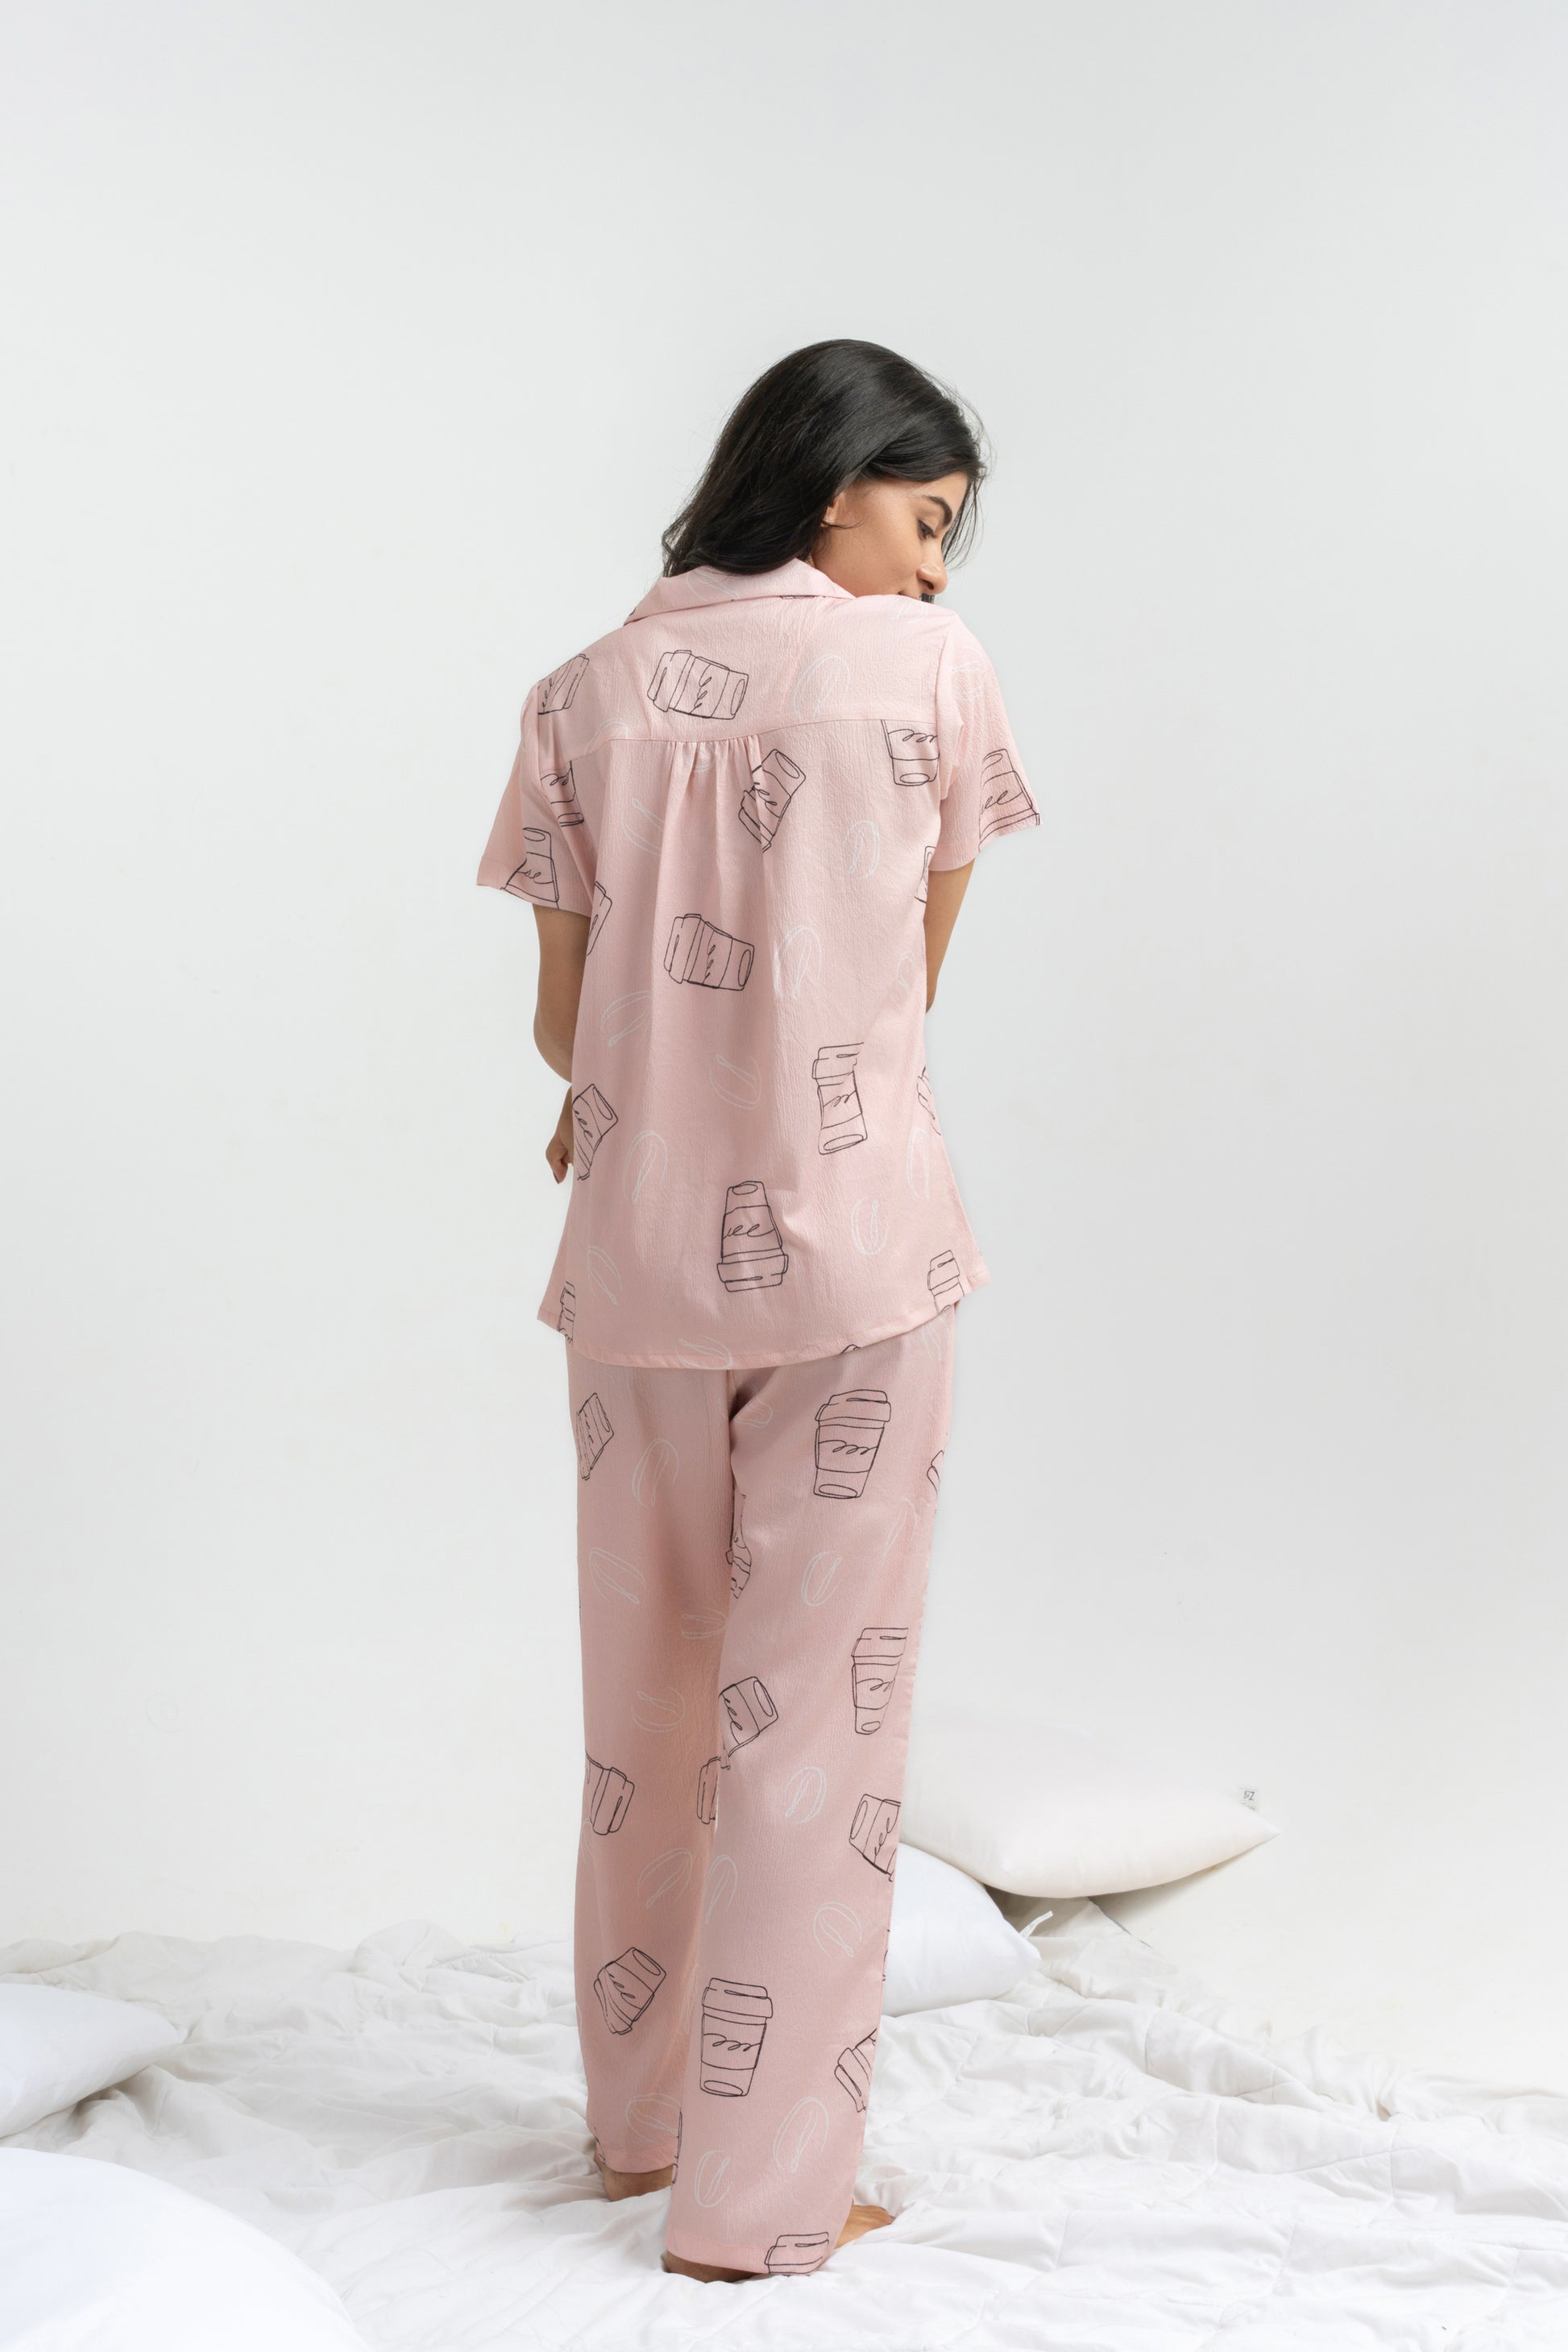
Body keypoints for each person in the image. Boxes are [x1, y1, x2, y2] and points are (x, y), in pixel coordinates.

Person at [478, 339, 1037, 2281]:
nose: (935, 567)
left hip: (632, 1262)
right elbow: (900, 986)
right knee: (815, 1723)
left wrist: (654, 1082)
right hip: (856, 1255)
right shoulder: (928, 672)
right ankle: (765, 2198)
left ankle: (641, 2127)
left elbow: (565, 1025)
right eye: (926, 517)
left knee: (644, 1704)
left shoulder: (579, 694)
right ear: (835, 482)